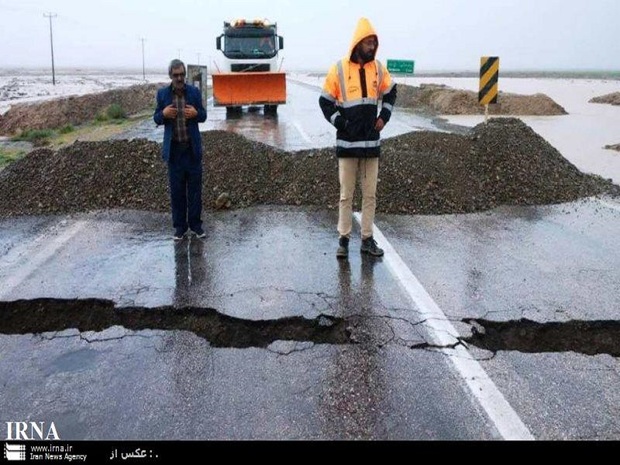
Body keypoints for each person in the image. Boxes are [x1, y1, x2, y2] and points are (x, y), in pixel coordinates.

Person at [319, 18, 397, 259]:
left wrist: (383, 117)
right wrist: (340, 123)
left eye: (374, 42)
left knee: (370, 195)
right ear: (358, 43)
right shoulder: (339, 69)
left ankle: (366, 239)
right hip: (348, 145)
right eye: (368, 42)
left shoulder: (378, 69)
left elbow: (391, 92)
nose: (372, 46)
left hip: (371, 145)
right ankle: (343, 240)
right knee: (346, 195)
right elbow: (325, 101)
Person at [154, 59, 207, 240]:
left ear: (185, 75)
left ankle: (196, 226)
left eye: (182, 74)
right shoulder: (162, 95)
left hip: (192, 151)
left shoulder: (193, 92)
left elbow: (203, 115)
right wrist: (163, 114)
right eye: (175, 75)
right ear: (170, 76)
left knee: (194, 192)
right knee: (177, 192)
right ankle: (180, 228)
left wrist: (196, 114)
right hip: (174, 152)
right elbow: (156, 117)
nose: (179, 78)